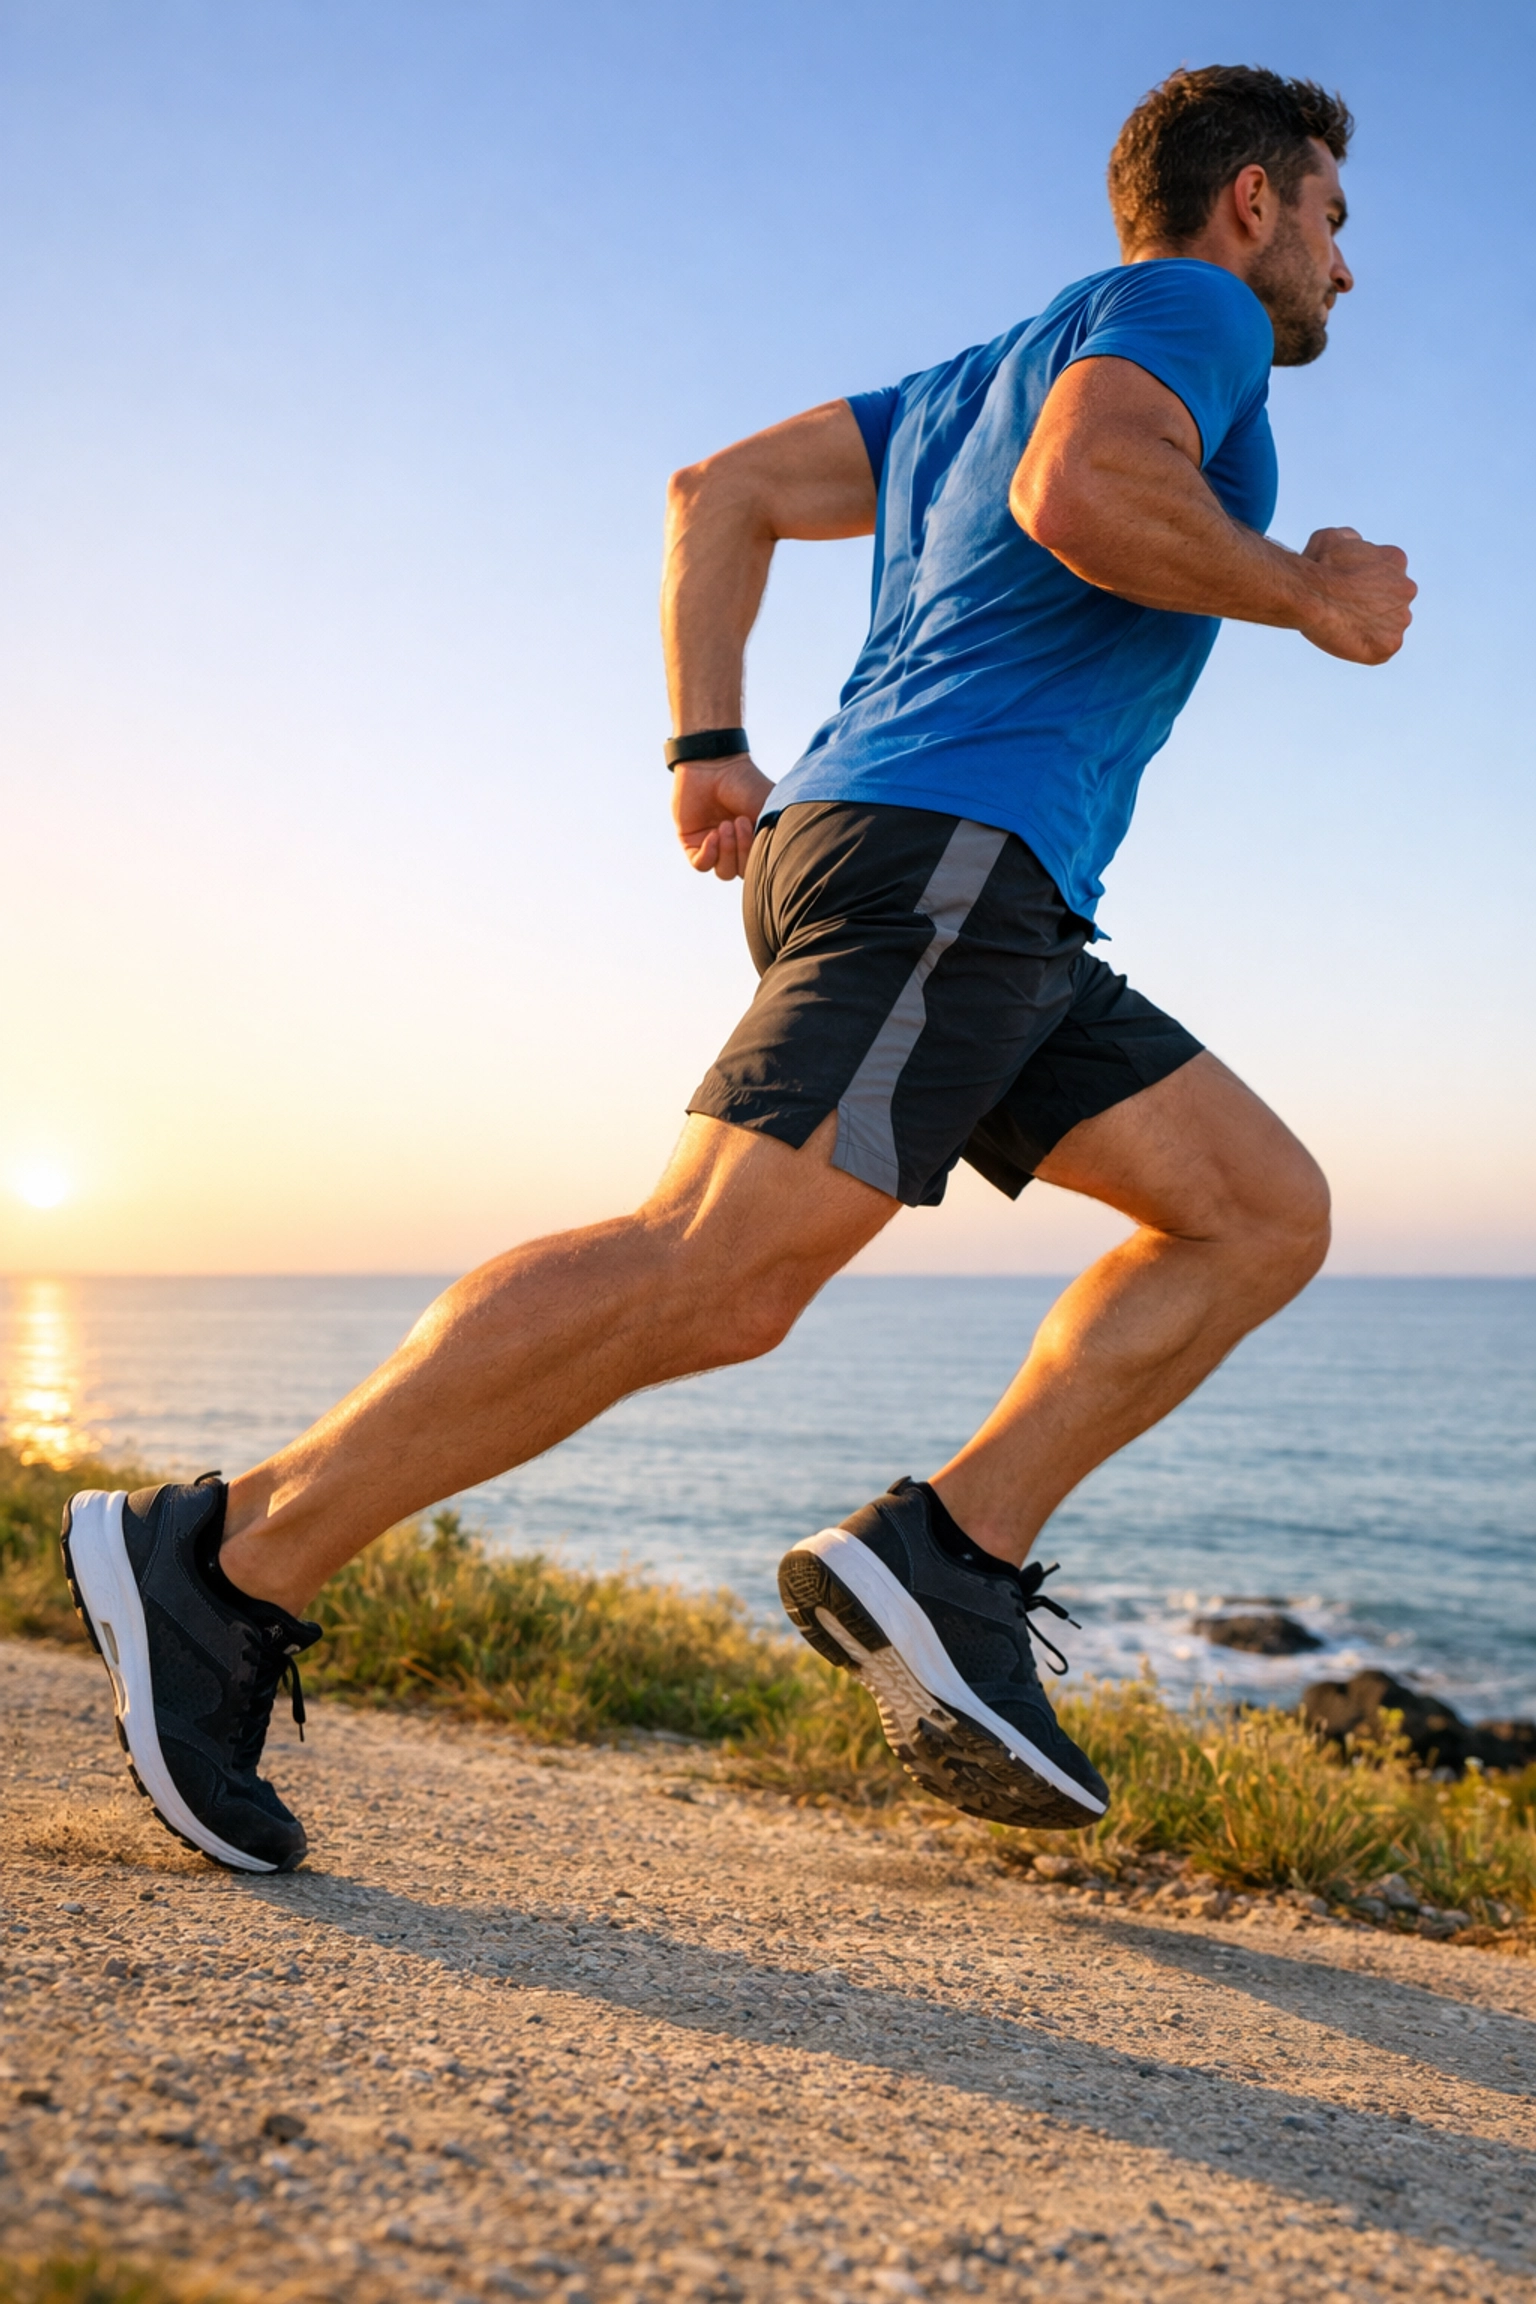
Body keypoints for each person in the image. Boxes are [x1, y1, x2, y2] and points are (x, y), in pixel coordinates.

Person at [62, 64, 1414, 1874]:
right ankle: (225, 1559)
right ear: (1252, 201)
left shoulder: (961, 379)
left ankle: (949, 1555)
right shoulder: (1187, 307)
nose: (1345, 258)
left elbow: (722, 490)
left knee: (1259, 1209)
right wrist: (1306, 592)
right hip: (950, 855)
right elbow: (1089, 491)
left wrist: (706, 744)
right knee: (715, 1273)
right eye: (1333, 214)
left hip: (949, 872)